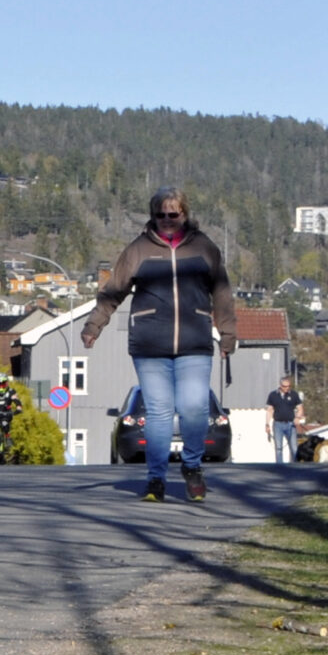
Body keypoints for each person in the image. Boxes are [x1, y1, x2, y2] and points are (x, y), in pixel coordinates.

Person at [81, 188, 239, 502]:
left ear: (185, 214)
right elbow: (113, 291)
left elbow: (222, 292)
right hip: (149, 344)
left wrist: (228, 334)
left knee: (195, 408)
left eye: (173, 214)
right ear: (153, 216)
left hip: (194, 341)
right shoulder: (138, 250)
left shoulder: (204, 247)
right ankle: (155, 478)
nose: (167, 220)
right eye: (161, 215)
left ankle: (192, 466)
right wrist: (94, 325)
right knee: (159, 412)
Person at [266, 376, 304, 463]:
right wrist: (267, 424)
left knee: (294, 447)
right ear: (280, 385)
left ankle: (295, 466)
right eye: (285, 386)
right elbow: (269, 410)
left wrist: (297, 418)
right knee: (278, 448)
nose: (287, 388)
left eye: (289, 386)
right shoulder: (273, 395)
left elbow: (300, 408)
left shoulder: (294, 394)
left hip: (290, 424)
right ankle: (280, 467)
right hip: (278, 424)